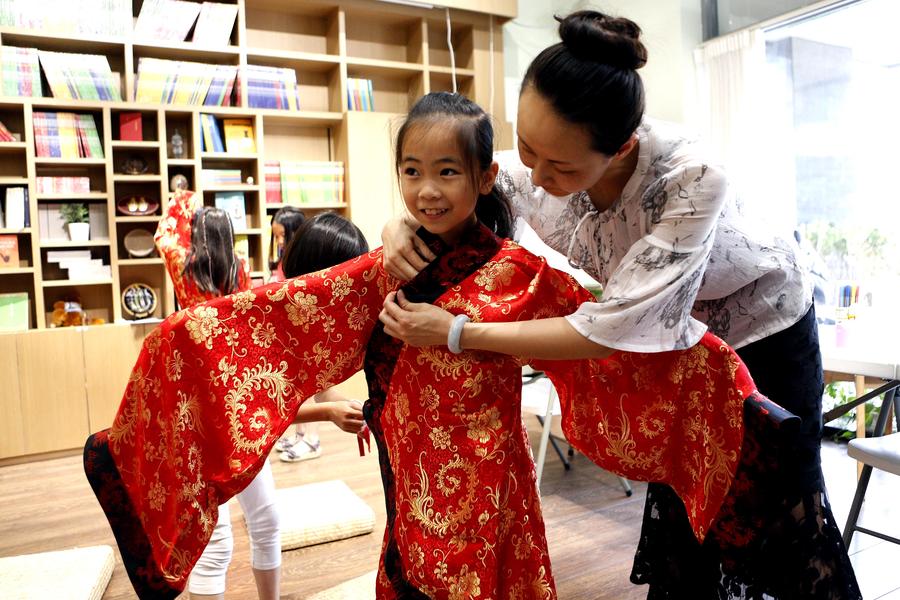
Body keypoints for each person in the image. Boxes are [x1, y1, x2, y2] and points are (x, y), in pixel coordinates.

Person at [85, 92, 774, 600]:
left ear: (484, 178)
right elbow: (280, 318)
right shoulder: (384, 267)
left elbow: (612, 343)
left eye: (447, 172)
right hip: (412, 480)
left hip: (490, 478)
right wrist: (181, 341)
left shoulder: (519, 273)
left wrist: (725, 390)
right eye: (412, 171)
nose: (427, 190)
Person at [379, 11, 861, 600]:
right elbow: (459, 184)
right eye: (526, 147)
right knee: (683, 501)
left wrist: (459, 331)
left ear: (622, 147)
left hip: (763, 331)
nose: (535, 174)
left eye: (560, 167)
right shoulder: (537, 162)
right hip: (680, 344)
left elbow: (606, 328)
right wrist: (399, 223)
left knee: (775, 509)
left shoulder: (690, 178)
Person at [150, 190, 280, 600]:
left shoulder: (183, 263)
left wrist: (183, 196)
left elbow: (162, 233)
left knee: (213, 532)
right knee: (265, 518)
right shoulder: (241, 271)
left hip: (193, 391)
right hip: (235, 391)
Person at [275, 213, 371, 462]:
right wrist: (328, 412)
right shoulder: (276, 320)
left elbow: (320, 390)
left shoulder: (315, 318)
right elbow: (257, 411)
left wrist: (350, 408)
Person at [268, 205, 305, 283]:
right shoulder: (282, 260)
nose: (280, 241)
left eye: (284, 235)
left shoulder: (304, 262)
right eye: (276, 236)